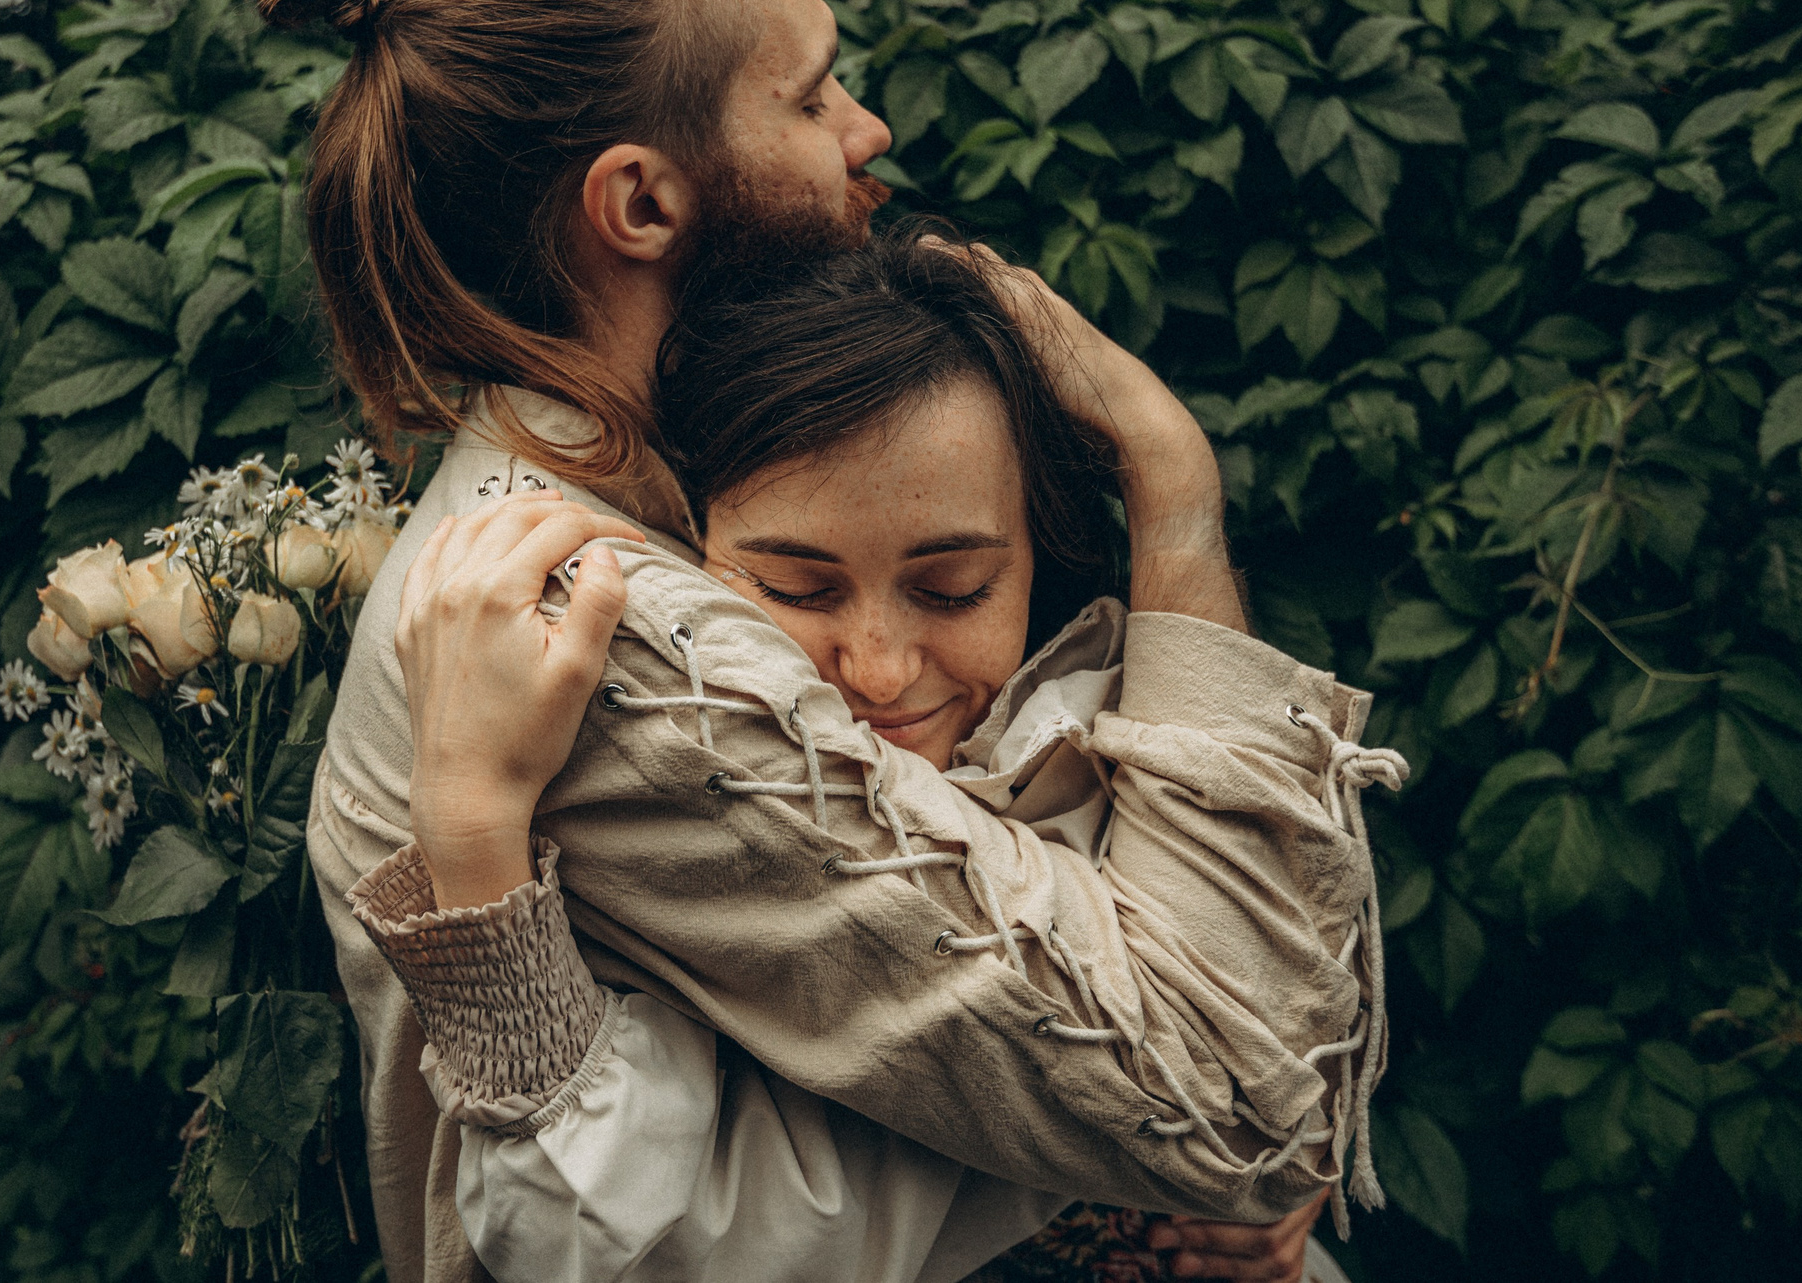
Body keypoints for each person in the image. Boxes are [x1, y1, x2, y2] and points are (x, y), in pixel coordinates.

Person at [259, 0, 1393, 1283]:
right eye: (807, 95)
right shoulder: (611, 633)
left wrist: (1111, 1192)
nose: (867, 129)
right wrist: (1171, 490)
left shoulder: (679, 484)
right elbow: (1230, 1094)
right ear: (641, 202)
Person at [352, 232, 1392, 1282]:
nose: (882, 670)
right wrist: (473, 835)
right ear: (689, 545)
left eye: (953, 590)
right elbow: (576, 1244)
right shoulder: (692, 802)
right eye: (798, 590)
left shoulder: (1106, 728)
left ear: (1037, 554)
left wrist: (1167, 467)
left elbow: (1275, 1063)